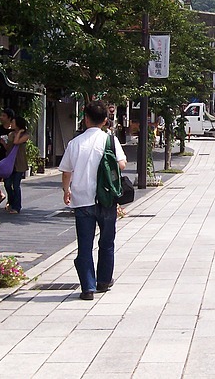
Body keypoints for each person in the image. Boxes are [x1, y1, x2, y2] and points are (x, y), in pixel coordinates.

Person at [59, 100, 127, 300]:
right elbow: (122, 164)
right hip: (106, 199)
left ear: (85, 119)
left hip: (82, 200)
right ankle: (104, 281)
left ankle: (87, 287)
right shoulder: (110, 140)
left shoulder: (75, 143)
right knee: (107, 242)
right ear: (106, 120)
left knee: (85, 245)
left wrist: (66, 190)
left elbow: (66, 170)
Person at [3, 117, 30, 214]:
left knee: (16, 185)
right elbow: (8, 147)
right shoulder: (10, 134)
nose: (11, 124)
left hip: (19, 163)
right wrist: (3, 143)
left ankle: (17, 206)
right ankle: (11, 202)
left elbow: (16, 142)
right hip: (10, 163)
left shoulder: (25, 135)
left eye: (13, 122)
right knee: (7, 184)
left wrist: (19, 132)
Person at [0, 108, 15, 206]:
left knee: (8, 182)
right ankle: (1, 194)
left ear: (9, 118)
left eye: (4, 116)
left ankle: (10, 201)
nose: (1, 117)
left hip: (9, 158)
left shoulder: (14, 130)